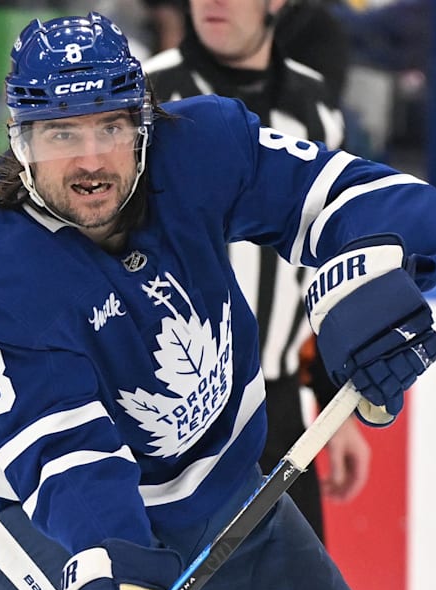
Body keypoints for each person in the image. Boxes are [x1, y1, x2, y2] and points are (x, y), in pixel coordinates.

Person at [0, 11, 436, 590]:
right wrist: (119, 567)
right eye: (62, 134)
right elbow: (67, 459)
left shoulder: (200, 149)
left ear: (144, 124)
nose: (91, 160)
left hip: (220, 492)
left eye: (110, 126)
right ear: (21, 142)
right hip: (38, 515)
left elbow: (377, 199)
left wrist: (369, 283)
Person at [144, 0, 367, 545]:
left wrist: (333, 401)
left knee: (300, 584)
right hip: (170, 417)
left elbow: (326, 261)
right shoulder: (146, 94)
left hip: (280, 412)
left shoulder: (316, 106)